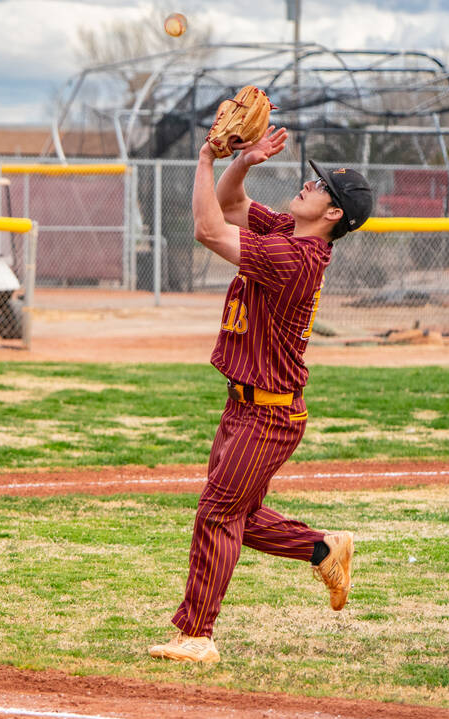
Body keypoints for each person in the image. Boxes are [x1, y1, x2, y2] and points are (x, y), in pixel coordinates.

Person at [149, 126, 374, 664]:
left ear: (334, 214)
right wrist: (243, 161)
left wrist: (205, 155)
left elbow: (207, 227)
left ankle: (197, 634)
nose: (307, 183)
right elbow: (229, 203)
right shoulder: (289, 235)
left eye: (319, 186)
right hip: (247, 404)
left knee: (217, 515)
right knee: (235, 514)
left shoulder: (295, 259)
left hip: (267, 415)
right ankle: (322, 548)